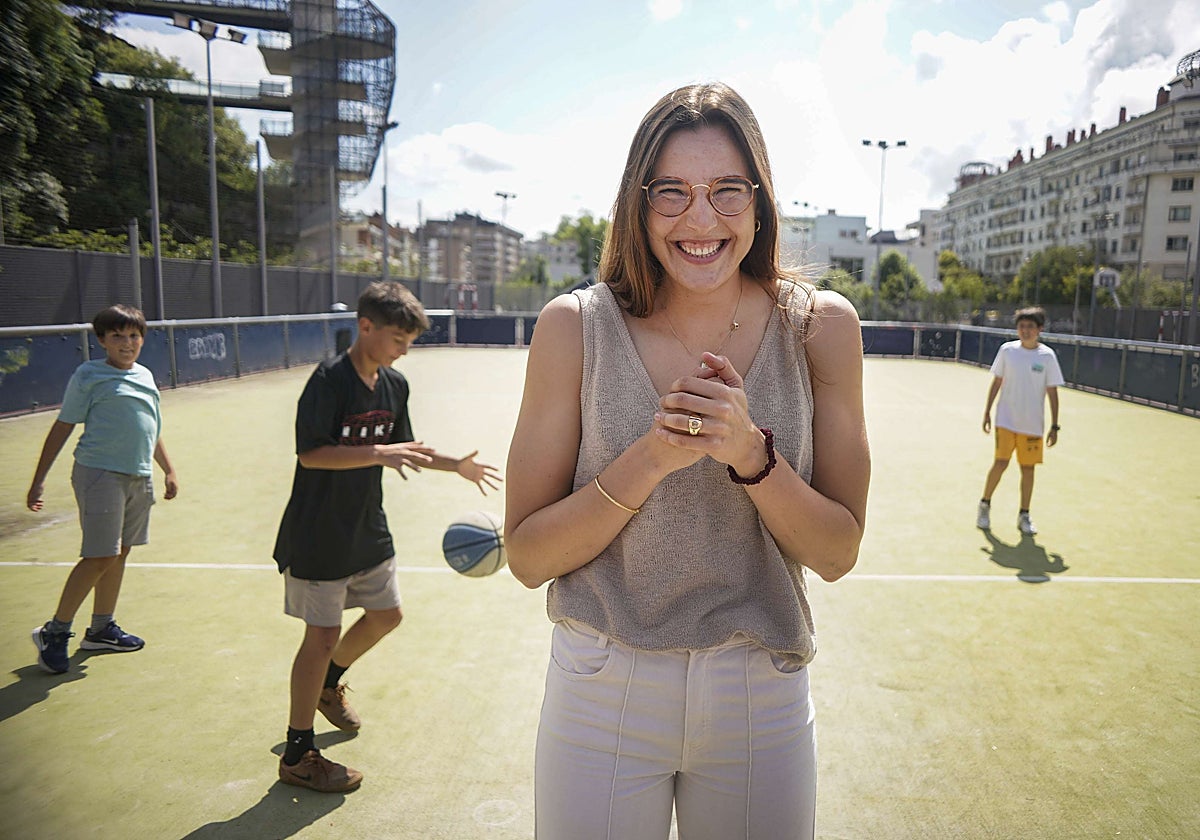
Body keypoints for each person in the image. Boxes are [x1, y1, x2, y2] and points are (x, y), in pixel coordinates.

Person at [504, 83, 870, 840]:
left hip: (758, 687)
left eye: (726, 190)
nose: (700, 219)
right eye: (670, 191)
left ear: (761, 199)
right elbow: (529, 555)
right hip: (601, 684)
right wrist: (651, 456)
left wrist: (749, 455)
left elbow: (837, 553)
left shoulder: (821, 329)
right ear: (636, 205)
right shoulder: (574, 328)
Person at [273, 281, 501, 793]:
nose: (404, 348)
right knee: (322, 635)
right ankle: (297, 752)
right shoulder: (329, 381)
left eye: (409, 341)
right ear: (366, 326)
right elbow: (311, 453)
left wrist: (454, 466)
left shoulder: (394, 385)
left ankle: (329, 686)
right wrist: (378, 454)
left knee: (386, 616)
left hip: (366, 526)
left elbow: (406, 447)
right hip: (318, 532)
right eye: (398, 338)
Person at [27, 304, 179, 675]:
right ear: (101, 341)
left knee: (120, 553)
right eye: (117, 336)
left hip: (138, 476)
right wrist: (38, 478)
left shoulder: (145, 375)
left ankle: (100, 629)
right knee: (99, 556)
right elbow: (63, 426)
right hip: (99, 474)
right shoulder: (88, 375)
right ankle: (55, 631)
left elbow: (150, 427)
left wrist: (169, 470)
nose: (127, 343)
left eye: (133, 336)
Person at [977, 306, 1063, 535]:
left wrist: (1055, 425)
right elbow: (997, 382)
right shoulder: (1007, 351)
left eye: (1030, 327)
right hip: (1005, 420)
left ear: (1040, 330)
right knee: (1001, 463)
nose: (1025, 331)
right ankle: (984, 504)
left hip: (1032, 425)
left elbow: (1053, 392)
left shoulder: (1047, 356)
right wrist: (987, 412)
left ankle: (1024, 514)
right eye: (1022, 326)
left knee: (1028, 469)